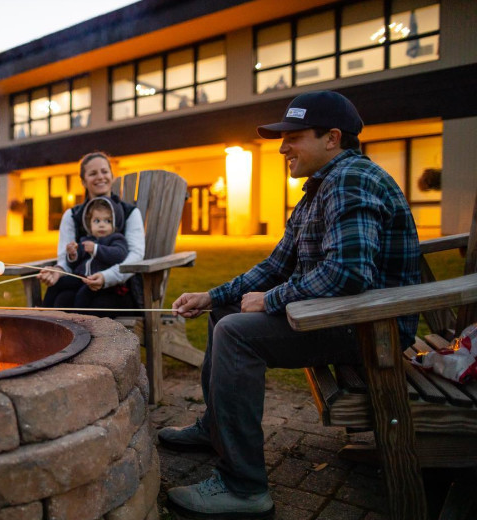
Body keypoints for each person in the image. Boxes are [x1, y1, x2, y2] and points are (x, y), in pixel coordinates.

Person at [159, 90, 421, 519]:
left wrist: (274, 299)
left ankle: (244, 488)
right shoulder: (318, 190)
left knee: (236, 334)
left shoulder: (352, 179)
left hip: (374, 328)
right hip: (344, 316)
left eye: (293, 137)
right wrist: (212, 296)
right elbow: (275, 265)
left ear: (332, 137)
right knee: (223, 314)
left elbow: (348, 274)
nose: (282, 148)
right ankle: (216, 429)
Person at [38, 151, 145, 314]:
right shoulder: (73, 215)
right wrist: (58, 271)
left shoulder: (130, 212)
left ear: (112, 175)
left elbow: (135, 256)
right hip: (81, 282)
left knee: (94, 305)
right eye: (93, 173)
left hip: (119, 287)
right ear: (83, 181)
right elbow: (65, 260)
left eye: (104, 171)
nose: (100, 177)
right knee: (62, 299)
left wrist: (106, 277)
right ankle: (41, 332)